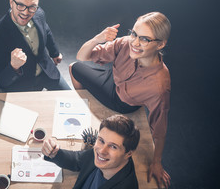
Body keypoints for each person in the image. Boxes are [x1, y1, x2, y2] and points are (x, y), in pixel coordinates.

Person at [69, 12, 171, 188]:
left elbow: (159, 127)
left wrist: (156, 162)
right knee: (73, 67)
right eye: (134, 34)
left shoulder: (159, 86)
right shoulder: (127, 43)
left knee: (73, 69)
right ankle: (86, 105)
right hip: (113, 79)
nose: (135, 43)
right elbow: (82, 56)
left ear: (160, 44)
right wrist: (97, 38)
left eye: (145, 39)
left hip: (122, 102)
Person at [0, 0, 71, 92]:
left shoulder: (39, 13)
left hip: (47, 72)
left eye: (32, 6)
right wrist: (14, 66)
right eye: (20, 5)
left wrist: (55, 53)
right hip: (23, 84)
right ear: (11, 2)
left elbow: (46, 31)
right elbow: (2, 81)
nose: (26, 12)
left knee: (72, 101)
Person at [42, 114, 140, 189]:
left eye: (113, 147)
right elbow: (78, 159)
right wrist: (55, 153)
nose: (102, 150)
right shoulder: (104, 157)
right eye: (101, 140)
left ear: (129, 153)